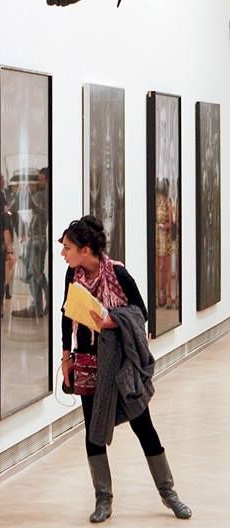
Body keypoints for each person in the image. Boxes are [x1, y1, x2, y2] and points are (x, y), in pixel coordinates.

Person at [60, 215, 191, 523]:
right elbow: (67, 317)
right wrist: (67, 357)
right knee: (94, 430)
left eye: (68, 248)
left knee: (143, 425)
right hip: (89, 361)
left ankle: (169, 493)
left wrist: (112, 320)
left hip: (121, 362)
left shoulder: (117, 273)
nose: (64, 254)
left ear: (86, 249)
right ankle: (102, 498)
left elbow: (141, 312)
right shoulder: (73, 276)